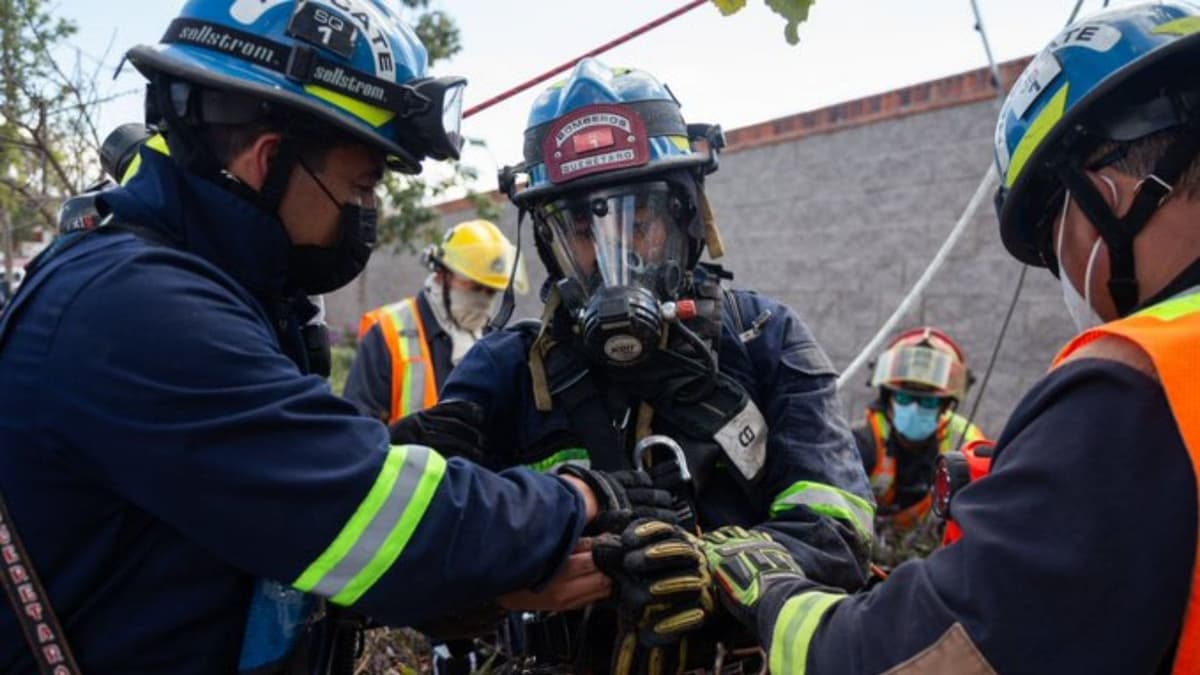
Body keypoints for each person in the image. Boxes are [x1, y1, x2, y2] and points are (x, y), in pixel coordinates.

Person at [0, 3, 688, 672]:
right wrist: (581, 497)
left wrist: (389, 454)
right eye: (361, 187)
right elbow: (366, 521)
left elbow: (247, 513)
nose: (367, 215)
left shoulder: (195, 286)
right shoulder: (138, 307)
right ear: (268, 159)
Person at [699, 3, 1200, 672]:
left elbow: (926, 650)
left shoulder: (1139, 382)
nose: (1063, 272)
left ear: (1100, 193)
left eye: (1050, 238)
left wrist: (780, 598)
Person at [437, 58, 874, 674]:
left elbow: (838, 527)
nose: (611, 256)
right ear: (547, 241)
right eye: (582, 230)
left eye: (637, 221)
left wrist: (711, 568)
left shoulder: (765, 339)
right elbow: (433, 552)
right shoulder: (505, 371)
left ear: (685, 217)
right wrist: (523, 571)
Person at [344, 218, 527, 424]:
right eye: (475, 287)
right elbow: (359, 427)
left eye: (491, 292)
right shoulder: (388, 332)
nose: (483, 299)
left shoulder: (491, 340)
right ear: (442, 274)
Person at [851, 327, 986, 565]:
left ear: (945, 406)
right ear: (887, 399)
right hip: (866, 564)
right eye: (903, 398)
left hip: (941, 568)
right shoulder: (861, 443)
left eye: (927, 401)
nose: (913, 408)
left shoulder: (966, 443)